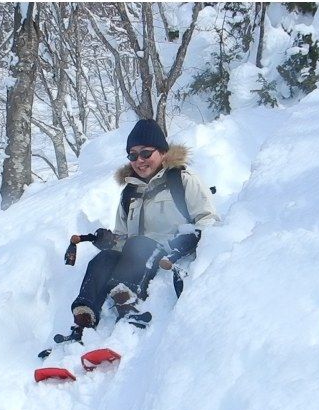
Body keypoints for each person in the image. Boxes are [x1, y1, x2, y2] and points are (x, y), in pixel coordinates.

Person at [69, 118, 219, 335]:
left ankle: (128, 303)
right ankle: (83, 320)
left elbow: (209, 218)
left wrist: (191, 237)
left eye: (146, 153)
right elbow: (124, 238)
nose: (139, 160)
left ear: (163, 152)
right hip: (135, 256)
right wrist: (110, 241)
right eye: (133, 155)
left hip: (168, 254)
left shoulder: (183, 180)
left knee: (139, 245)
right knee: (103, 259)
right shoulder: (129, 193)